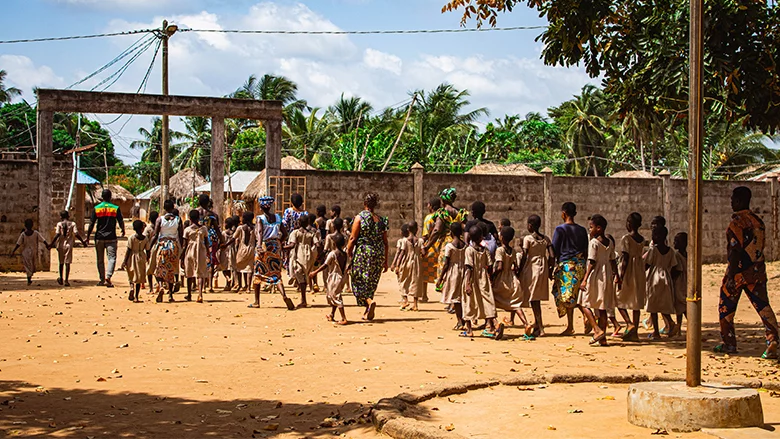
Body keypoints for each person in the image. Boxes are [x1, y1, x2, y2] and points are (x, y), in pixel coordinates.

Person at [715, 187, 778, 359]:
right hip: (757, 270)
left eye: (733, 198)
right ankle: (773, 341)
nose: (731, 201)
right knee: (763, 307)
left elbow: (735, 251)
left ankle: (729, 343)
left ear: (741, 200)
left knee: (726, 307)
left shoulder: (737, 223)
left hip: (739, 272)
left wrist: (730, 276)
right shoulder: (759, 221)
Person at [579, 214, 620, 346]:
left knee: (583, 302)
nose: (589, 230)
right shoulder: (610, 242)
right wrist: (617, 275)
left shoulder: (594, 243)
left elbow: (591, 261)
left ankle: (597, 330)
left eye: (591, 227)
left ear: (599, 228)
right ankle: (603, 338)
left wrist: (584, 279)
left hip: (595, 275)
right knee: (602, 307)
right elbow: (613, 260)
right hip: (606, 274)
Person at [347, 192, 389, 321]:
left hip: (364, 253)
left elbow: (353, 238)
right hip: (378, 253)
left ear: (364, 203)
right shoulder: (381, 220)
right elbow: (385, 242)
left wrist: (349, 252)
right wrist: (385, 260)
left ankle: (369, 301)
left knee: (357, 279)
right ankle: (367, 310)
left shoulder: (359, 218)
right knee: (371, 282)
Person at [551, 202, 590, 335]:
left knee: (566, 296)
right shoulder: (582, 230)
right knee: (576, 295)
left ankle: (574, 324)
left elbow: (554, 250)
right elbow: (586, 250)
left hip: (567, 267)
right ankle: (583, 318)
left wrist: (552, 266)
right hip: (580, 265)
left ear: (564, 213)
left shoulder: (560, 230)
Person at [251, 196, 294, 310]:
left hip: (264, 246)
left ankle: (256, 301)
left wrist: (259, 246)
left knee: (258, 273)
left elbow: (259, 232)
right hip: (275, 248)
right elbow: (285, 233)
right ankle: (284, 295)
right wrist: (279, 242)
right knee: (276, 274)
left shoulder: (260, 218)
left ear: (260, 207)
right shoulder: (278, 218)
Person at [462, 225, 501, 339]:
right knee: (487, 300)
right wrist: (491, 278)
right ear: (481, 237)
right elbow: (489, 265)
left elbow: (469, 267)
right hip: (483, 277)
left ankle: (469, 329)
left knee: (468, 302)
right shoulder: (485, 250)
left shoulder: (469, 250)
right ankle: (492, 325)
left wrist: (468, 283)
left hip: (472, 278)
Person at [518, 215, 554, 337]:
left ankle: (541, 327)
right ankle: (537, 326)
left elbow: (524, 255)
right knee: (536, 297)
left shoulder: (528, 239)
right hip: (543, 268)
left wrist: (520, 270)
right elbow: (552, 256)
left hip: (532, 268)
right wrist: (550, 269)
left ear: (530, 226)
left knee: (534, 299)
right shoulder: (546, 239)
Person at [493, 226, 531, 335]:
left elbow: (499, 266)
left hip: (502, 279)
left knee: (492, 301)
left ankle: (494, 323)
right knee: (515, 304)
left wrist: (493, 277)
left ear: (502, 238)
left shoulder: (499, 250)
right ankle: (526, 323)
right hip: (511, 278)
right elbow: (516, 266)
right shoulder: (513, 251)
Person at [423, 188, 468, 281]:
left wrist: (427, 247)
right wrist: (466, 244)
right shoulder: (460, 213)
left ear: (443, 200)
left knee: (445, 270)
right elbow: (466, 228)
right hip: (460, 244)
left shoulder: (442, 213)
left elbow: (437, 230)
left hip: (446, 244)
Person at [86, 189, 125, 288]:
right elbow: (120, 220)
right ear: (110, 197)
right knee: (112, 258)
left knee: (100, 259)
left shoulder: (97, 208)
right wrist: (123, 230)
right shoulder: (115, 208)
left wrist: (87, 237)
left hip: (99, 237)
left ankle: (102, 279)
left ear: (102, 197)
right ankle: (108, 277)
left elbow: (91, 224)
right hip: (111, 237)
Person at [617, 212, 646, 342]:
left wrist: (621, 275)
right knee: (635, 301)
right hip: (639, 271)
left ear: (629, 224)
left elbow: (625, 258)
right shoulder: (642, 239)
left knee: (618, 298)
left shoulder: (626, 239)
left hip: (629, 270)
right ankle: (635, 332)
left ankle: (629, 323)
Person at [644, 225, 677, 340]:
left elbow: (647, 264)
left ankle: (656, 332)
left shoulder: (653, 250)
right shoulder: (671, 251)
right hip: (666, 278)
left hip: (654, 278)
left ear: (657, 236)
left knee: (653, 306)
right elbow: (673, 266)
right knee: (663, 304)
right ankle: (670, 322)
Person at [310, 234, 349, 325]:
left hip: (334, 277)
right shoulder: (345, 254)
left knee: (336, 297)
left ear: (334, 243)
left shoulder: (332, 254)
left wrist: (315, 272)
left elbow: (325, 265)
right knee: (333, 295)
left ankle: (344, 318)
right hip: (342, 277)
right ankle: (332, 314)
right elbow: (348, 265)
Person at [436, 222, 466, 330]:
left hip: (453, 272)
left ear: (451, 233)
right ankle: (463, 319)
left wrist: (441, 278)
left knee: (455, 298)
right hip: (463, 271)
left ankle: (460, 321)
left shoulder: (449, 246)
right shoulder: (465, 245)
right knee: (461, 297)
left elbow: (446, 264)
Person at [152, 200, 183, 303]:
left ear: (164, 208)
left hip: (162, 246)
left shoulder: (159, 220)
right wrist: (181, 248)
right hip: (173, 247)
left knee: (159, 268)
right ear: (173, 207)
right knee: (171, 270)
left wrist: (149, 247)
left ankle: (160, 286)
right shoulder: (178, 220)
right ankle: (170, 294)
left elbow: (155, 235)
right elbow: (181, 236)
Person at [286, 214, 318, 309]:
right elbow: (317, 244)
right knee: (305, 274)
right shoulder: (311, 233)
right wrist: (316, 254)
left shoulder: (295, 233)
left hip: (298, 255)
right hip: (308, 256)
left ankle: (303, 299)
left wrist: (282, 248)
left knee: (299, 272)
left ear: (299, 223)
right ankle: (303, 299)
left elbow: (292, 245)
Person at [49, 210, 86, 287]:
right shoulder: (72, 224)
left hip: (60, 245)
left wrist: (51, 244)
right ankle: (66, 280)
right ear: (68, 216)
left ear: (61, 217)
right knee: (67, 263)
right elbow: (76, 234)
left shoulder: (59, 224)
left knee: (61, 263)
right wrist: (83, 242)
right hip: (69, 245)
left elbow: (57, 234)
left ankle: (61, 277)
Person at [11, 219, 49, 285]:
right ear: (32, 225)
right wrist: (47, 245)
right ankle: (29, 278)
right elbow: (43, 240)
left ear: (25, 225)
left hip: (25, 252)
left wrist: (13, 251)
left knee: (28, 265)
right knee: (32, 264)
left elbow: (18, 243)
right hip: (34, 251)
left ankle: (29, 277)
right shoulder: (36, 233)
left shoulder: (23, 234)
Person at [182, 210, 208, 303]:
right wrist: (208, 253)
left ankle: (189, 295)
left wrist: (182, 256)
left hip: (190, 251)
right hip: (201, 251)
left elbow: (184, 245)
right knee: (200, 273)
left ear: (190, 218)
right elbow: (206, 241)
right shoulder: (204, 229)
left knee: (189, 273)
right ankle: (200, 294)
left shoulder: (187, 230)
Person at [121, 220, 149, 303]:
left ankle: (131, 287)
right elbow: (148, 250)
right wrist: (147, 258)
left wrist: (124, 261)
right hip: (141, 257)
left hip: (132, 257)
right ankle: (136, 297)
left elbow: (128, 250)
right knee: (139, 278)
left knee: (131, 274)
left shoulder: (131, 238)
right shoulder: (145, 238)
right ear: (142, 228)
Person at [421, 198, 442, 302]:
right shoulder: (442, 217)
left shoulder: (429, 218)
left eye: (428, 204)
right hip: (441, 246)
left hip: (431, 247)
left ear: (431, 206)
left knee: (424, 270)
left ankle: (424, 295)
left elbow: (426, 235)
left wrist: (423, 245)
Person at [397, 221, 422, 311]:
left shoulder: (404, 240)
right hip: (417, 263)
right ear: (417, 229)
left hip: (406, 262)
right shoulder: (420, 241)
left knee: (403, 280)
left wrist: (397, 265)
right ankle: (415, 304)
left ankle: (405, 300)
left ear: (408, 229)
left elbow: (401, 253)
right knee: (416, 282)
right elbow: (423, 252)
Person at [234, 212, 256, 293]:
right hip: (251, 249)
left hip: (241, 250)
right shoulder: (254, 228)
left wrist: (225, 245)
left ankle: (240, 285)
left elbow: (234, 238)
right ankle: (248, 287)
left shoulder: (240, 228)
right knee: (249, 268)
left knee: (239, 267)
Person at [672, 232, 688, 336]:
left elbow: (677, 270)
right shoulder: (688, 255)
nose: (674, 243)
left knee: (680, 306)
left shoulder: (677, 255)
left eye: (677, 241)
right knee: (683, 306)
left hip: (679, 282)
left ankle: (678, 328)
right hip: (686, 281)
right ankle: (679, 330)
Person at [390, 224, 411, 305]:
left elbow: (398, 253)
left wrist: (394, 264)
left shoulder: (401, 241)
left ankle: (404, 298)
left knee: (401, 280)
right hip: (410, 262)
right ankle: (405, 297)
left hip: (402, 263)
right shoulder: (411, 240)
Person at [144, 211, 160, 295]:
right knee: (158, 269)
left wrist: (147, 251)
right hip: (161, 248)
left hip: (151, 249)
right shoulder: (160, 227)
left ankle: (151, 288)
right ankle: (159, 285)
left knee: (149, 270)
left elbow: (145, 240)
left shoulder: (148, 229)